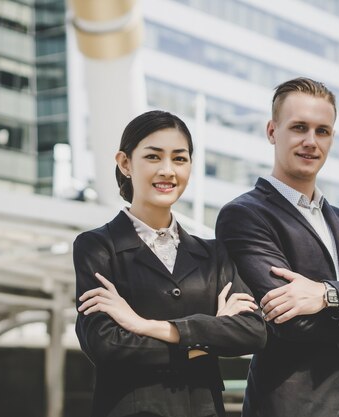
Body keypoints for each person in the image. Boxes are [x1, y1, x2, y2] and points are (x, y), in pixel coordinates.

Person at [216, 78, 339, 417]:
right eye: (299, 128)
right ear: (272, 131)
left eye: (323, 131)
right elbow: (290, 323)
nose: (311, 141)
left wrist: (326, 296)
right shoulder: (244, 216)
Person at [73, 110, 267, 417]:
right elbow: (106, 345)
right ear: (125, 163)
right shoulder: (97, 247)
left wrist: (146, 326)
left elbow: (252, 331)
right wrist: (204, 340)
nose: (168, 170)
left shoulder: (215, 254)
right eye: (153, 157)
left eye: (180, 159)